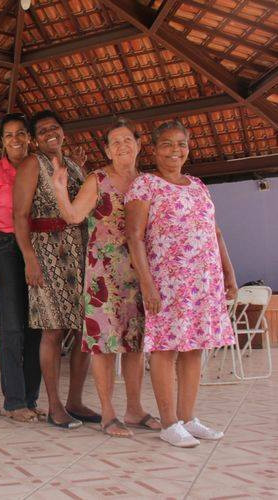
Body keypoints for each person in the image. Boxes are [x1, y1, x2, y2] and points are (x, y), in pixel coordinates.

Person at [125, 120, 237, 448]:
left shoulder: (199, 184)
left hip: (204, 280)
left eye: (181, 144)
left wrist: (228, 272)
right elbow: (134, 236)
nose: (176, 150)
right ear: (154, 149)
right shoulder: (145, 185)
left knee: (196, 347)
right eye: (167, 144)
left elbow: (214, 232)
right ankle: (169, 422)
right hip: (168, 282)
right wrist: (147, 283)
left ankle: (189, 418)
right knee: (167, 348)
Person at [51, 118, 160, 437]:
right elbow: (72, 215)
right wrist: (59, 189)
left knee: (136, 343)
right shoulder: (97, 179)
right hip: (104, 273)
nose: (122, 146)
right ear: (107, 150)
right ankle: (109, 414)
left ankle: (135, 409)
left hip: (140, 271)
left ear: (139, 145)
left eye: (128, 140)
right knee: (105, 344)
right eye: (115, 142)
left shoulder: (147, 183)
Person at [13, 110, 99, 429]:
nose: (51, 133)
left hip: (79, 253)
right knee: (52, 328)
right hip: (46, 251)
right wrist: (29, 258)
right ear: (35, 139)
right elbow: (20, 215)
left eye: (55, 128)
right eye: (44, 130)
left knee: (83, 329)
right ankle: (54, 405)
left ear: (63, 132)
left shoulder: (75, 165)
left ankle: (75, 400)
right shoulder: (32, 164)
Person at [0, 113, 43, 423]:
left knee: (36, 326)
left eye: (20, 134)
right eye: (8, 135)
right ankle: (14, 401)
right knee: (13, 324)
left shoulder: (40, 166)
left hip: (39, 246)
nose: (14, 140)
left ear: (30, 138)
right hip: (4, 246)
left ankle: (30, 398)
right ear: (2, 142)